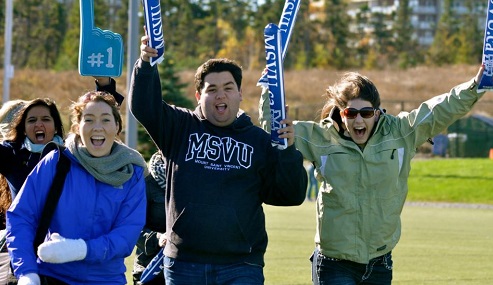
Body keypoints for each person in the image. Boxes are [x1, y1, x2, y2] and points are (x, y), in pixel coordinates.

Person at [258, 66, 488, 284]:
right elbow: (273, 128)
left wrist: (477, 85)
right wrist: (270, 88)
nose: (359, 120)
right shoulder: (320, 137)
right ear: (341, 112)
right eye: (351, 113)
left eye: (366, 112)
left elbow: (441, 109)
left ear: (377, 113)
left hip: (380, 262)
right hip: (334, 263)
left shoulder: (401, 132)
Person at [129, 34, 307, 284]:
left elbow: (291, 195)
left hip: (241, 265)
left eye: (228, 88)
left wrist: (287, 151)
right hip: (183, 263)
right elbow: (144, 106)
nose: (220, 95)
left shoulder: (259, 141)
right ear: (198, 96)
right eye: (211, 89)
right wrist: (146, 64)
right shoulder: (179, 127)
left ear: (240, 94)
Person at [6, 91, 148, 285]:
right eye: (88, 120)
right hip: (53, 277)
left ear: (117, 127)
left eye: (105, 120)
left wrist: (81, 249)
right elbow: (21, 216)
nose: (97, 127)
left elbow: (127, 235)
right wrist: (27, 273)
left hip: (106, 280)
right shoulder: (56, 162)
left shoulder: (133, 173)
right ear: (76, 127)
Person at [132, 151, 166, 285]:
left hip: (188, 271)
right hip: (150, 270)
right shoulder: (146, 182)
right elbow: (131, 227)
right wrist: (158, 238)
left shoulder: (197, 183)